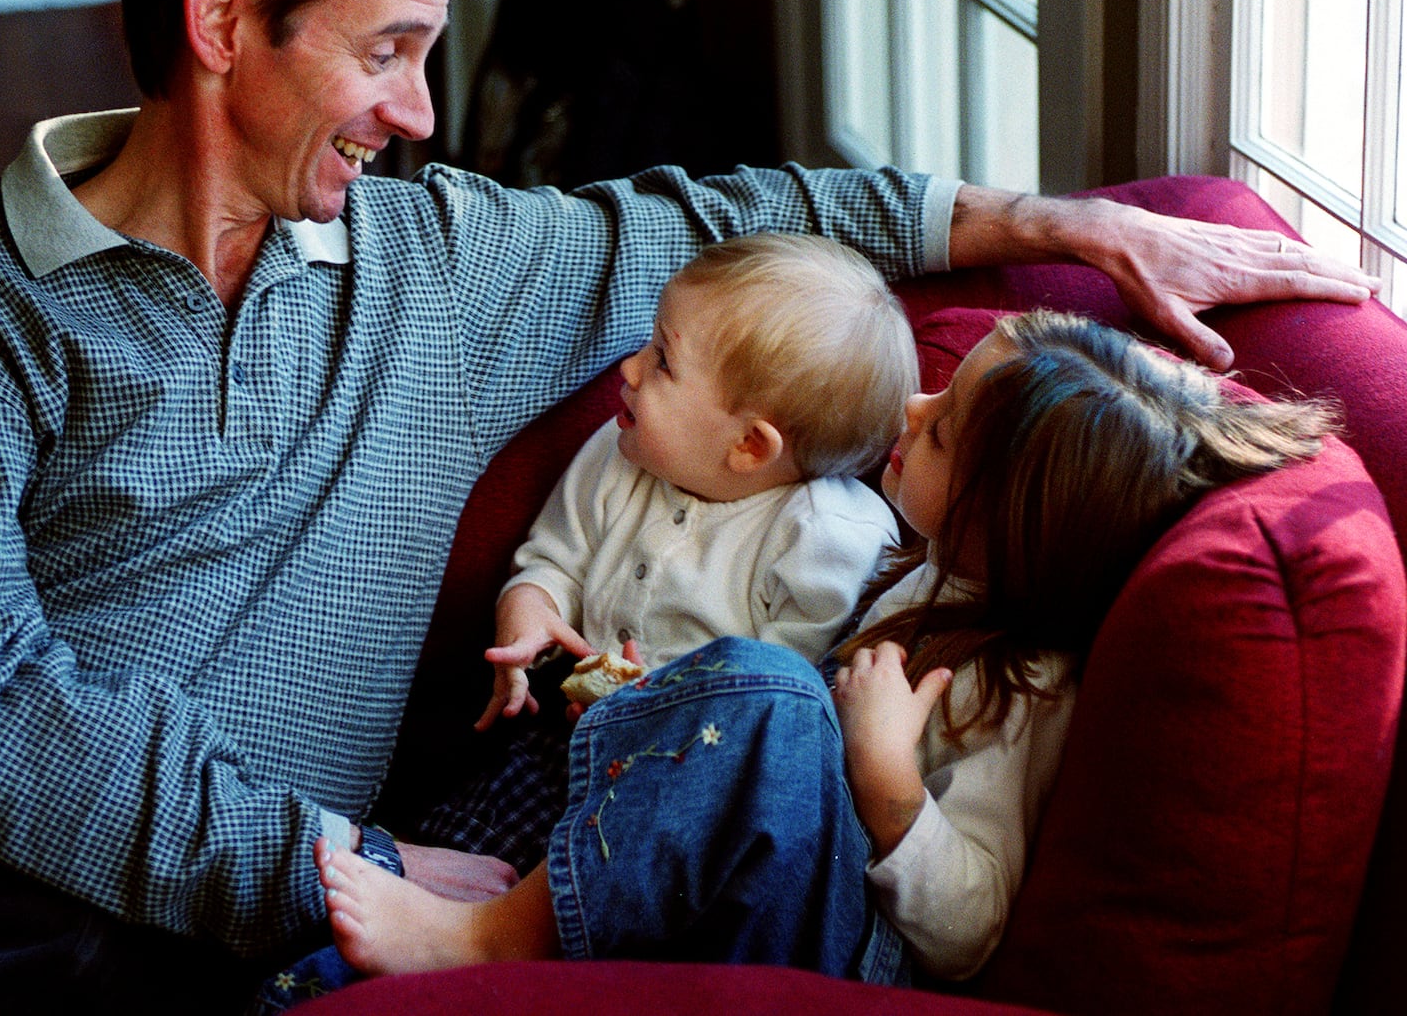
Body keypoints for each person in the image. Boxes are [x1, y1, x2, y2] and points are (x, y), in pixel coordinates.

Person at [0, 0, 1377, 1015]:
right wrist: (325, 857)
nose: (423, 113)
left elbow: (716, 219)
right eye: (391, 51)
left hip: (252, 954)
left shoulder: (433, 260)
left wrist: (1050, 223)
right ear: (224, 25)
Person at [313, 310, 1336, 983]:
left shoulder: (1025, 687)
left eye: (937, 432)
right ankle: (469, 895)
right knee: (721, 698)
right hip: (760, 885)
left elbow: (971, 925)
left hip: (854, 961)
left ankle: (496, 937)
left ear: (1007, 519)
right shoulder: (930, 572)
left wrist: (887, 779)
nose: (909, 407)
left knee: (770, 695)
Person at [415, 232, 914, 872]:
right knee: (449, 850)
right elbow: (552, 562)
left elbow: (786, 712)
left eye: (662, 361)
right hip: (560, 747)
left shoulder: (826, 540)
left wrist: (656, 704)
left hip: (696, 791)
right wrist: (530, 610)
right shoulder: (623, 453)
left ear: (749, 447)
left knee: (596, 898)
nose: (628, 367)